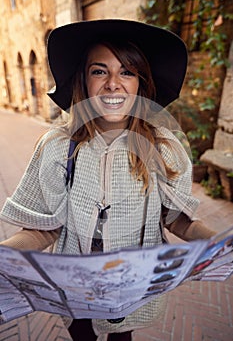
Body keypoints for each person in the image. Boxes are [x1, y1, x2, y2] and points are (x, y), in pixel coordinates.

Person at [0, 19, 217, 341]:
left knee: (121, 334)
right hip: (74, 281)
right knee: (81, 333)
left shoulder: (164, 148)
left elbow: (178, 220)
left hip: (130, 284)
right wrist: (5, 255)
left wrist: (217, 243)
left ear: (141, 84)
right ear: (83, 81)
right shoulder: (57, 146)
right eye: (99, 71)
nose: (113, 83)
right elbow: (44, 228)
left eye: (127, 72)